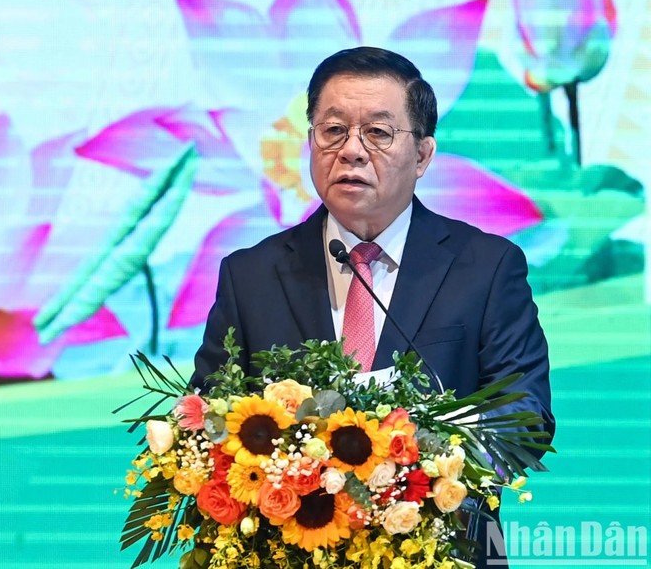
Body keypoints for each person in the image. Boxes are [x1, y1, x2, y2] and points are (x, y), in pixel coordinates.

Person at [192, 46, 554, 568]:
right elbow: (209, 421)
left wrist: (415, 467)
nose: (352, 151)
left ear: (424, 155)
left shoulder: (487, 267)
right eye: (332, 130)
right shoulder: (251, 274)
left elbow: (526, 418)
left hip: (442, 551)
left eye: (378, 133)